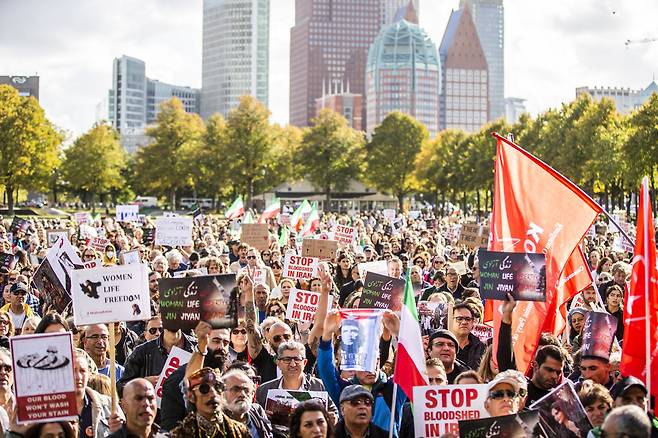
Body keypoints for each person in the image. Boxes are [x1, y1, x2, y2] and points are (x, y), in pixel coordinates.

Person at [255, 341, 337, 436]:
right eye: (287, 359)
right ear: (278, 363)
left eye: (297, 359)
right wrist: (262, 416)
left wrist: (332, 417)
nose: (293, 364)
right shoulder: (264, 390)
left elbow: (335, 413)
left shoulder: (321, 386)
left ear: (305, 362)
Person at [161, 322, 231, 431]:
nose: (221, 347)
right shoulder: (177, 379)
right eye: (216, 341)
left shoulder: (229, 378)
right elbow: (170, 427)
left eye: (226, 343)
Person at [169, 367, 249, 438]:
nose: (213, 394)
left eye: (218, 387)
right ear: (191, 397)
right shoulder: (181, 434)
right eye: (204, 389)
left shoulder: (240, 432)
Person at [118, 325, 196, 391]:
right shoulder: (142, 352)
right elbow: (121, 387)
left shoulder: (199, 347)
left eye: (177, 313)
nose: (173, 318)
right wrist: (143, 383)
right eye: (169, 313)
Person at [221, 369, 272, 438]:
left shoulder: (257, 412)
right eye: (236, 389)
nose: (242, 394)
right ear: (222, 393)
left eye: (246, 390)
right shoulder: (215, 421)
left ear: (252, 394)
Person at [451, 302, 486, 370]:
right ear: (451, 320)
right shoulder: (443, 344)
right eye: (459, 319)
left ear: (473, 322)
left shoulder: (481, 347)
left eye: (468, 319)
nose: (464, 322)